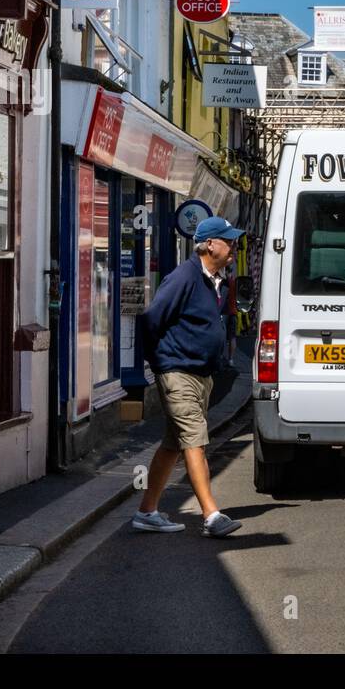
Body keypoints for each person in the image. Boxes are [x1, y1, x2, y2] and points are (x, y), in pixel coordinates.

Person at [133, 216, 245, 538]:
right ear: (210, 244)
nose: (234, 246)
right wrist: (160, 361)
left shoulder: (215, 279)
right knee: (195, 440)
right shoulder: (184, 277)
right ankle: (211, 515)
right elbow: (153, 318)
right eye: (229, 241)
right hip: (178, 372)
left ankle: (147, 511)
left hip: (200, 374)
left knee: (173, 444)